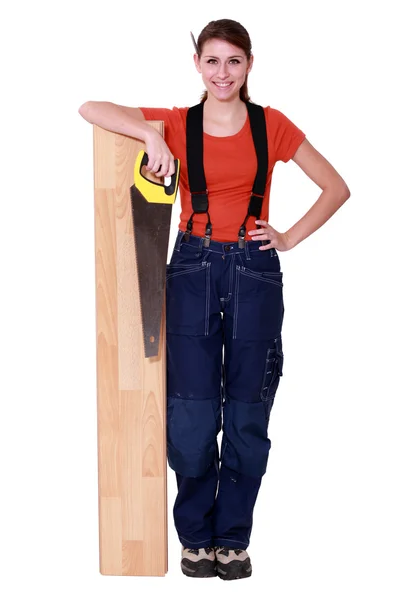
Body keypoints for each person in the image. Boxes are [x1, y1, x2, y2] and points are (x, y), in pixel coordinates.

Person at [79, 18, 350, 581]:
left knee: (249, 413)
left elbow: (336, 187)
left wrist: (288, 236)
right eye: (212, 61)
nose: (222, 73)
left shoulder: (269, 125)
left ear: (249, 65)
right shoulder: (180, 122)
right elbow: (90, 107)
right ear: (197, 66)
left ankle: (233, 538)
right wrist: (151, 135)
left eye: (233, 61)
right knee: (192, 416)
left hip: (254, 272)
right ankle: (196, 537)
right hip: (193, 267)